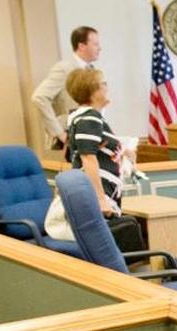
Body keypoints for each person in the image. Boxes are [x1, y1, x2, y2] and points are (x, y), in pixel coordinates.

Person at [45, 67, 145, 253]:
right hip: (95, 198)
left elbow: (96, 152)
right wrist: (100, 200)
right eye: (104, 84)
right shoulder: (89, 118)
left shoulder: (88, 117)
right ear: (93, 90)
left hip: (104, 195)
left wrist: (125, 152)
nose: (107, 87)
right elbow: (88, 158)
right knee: (127, 240)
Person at [31, 26, 101, 151]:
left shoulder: (91, 70)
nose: (99, 48)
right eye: (95, 44)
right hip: (69, 139)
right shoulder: (64, 69)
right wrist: (59, 133)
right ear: (81, 46)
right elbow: (39, 97)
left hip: (89, 135)